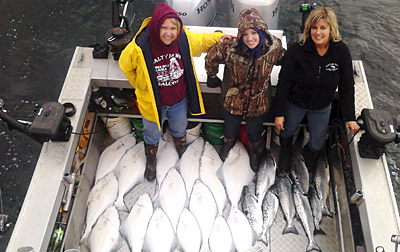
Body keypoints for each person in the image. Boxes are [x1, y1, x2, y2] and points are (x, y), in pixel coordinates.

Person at [119, 3, 225, 181]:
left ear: (178, 29)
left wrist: (220, 38)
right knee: (151, 133)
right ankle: (151, 159)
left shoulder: (183, 38)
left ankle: (180, 147)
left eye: (173, 28)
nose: (169, 33)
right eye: (164, 28)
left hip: (178, 100)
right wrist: (140, 85)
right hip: (152, 103)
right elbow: (125, 65)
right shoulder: (139, 46)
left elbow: (201, 41)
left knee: (179, 127)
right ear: (155, 27)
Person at [274, 7, 359, 173]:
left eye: (323, 27)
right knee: (286, 131)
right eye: (314, 28)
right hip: (296, 102)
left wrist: (350, 117)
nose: (318, 32)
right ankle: (285, 152)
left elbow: (347, 86)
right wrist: (279, 113)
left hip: (322, 107)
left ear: (331, 29)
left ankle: (307, 158)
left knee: (317, 143)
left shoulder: (341, 51)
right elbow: (283, 82)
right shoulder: (297, 50)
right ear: (308, 29)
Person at [205, 8, 285, 172]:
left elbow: (288, 61)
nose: (249, 38)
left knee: (254, 133)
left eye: (254, 33)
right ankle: (228, 144)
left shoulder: (273, 48)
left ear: (261, 32)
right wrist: (212, 76)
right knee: (230, 128)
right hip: (233, 101)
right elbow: (210, 58)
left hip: (258, 104)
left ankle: (255, 152)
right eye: (245, 34)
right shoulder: (228, 47)